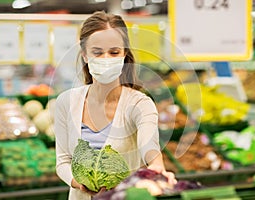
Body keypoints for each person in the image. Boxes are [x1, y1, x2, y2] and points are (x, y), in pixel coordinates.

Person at [54, 11, 176, 200]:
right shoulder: (65, 102)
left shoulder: (140, 104)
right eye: (97, 52)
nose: (106, 59)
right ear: (85, 55)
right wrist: (79, 183)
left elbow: (149, 146)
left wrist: (157, 168)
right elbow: (62, 162)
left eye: (114, 52)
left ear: (124, 53)